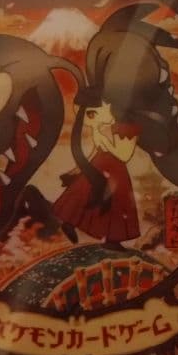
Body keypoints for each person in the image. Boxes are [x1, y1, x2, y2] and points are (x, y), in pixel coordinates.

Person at [52, 94, 142, 249]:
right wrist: (78, 169)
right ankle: (69, 223)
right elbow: (95, 150)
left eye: (92, 114)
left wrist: (105, 139)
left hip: (115, 171)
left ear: (110, 106)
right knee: (81, 194)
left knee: (116, 204)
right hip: (97, 167)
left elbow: (124, 155)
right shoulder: (100, 128)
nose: (88, 121)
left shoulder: (127, 128)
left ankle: (113, 239)